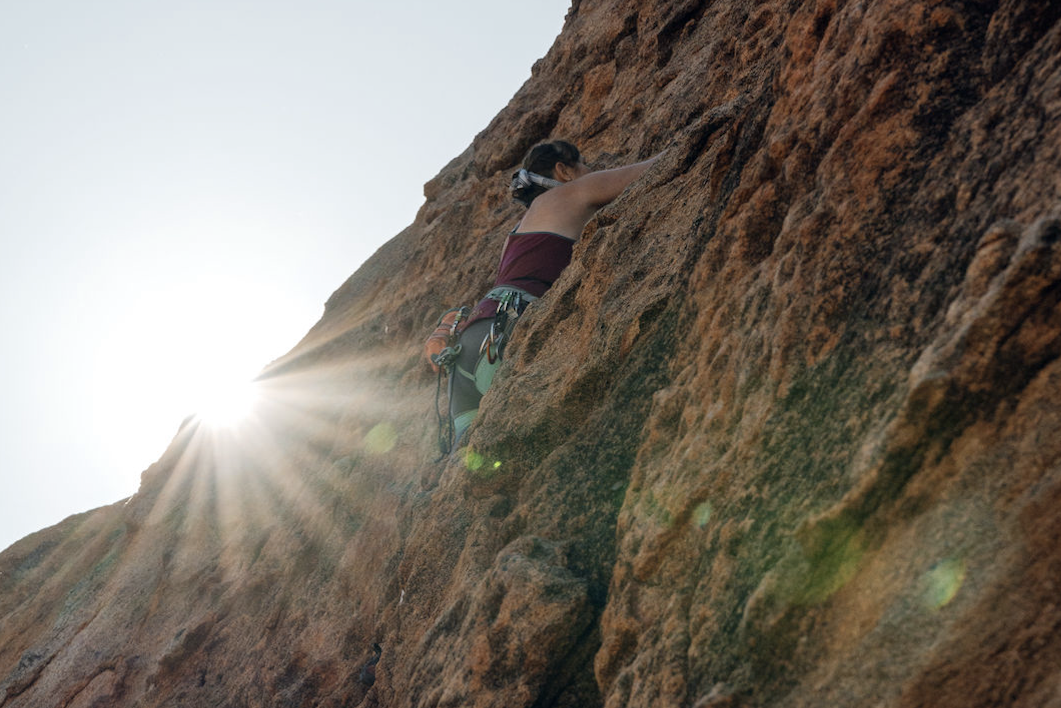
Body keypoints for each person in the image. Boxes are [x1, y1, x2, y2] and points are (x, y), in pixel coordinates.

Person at [426, 140, 661, 453]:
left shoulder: (516, 232)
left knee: (465, 460)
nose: (590, 172)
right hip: (506, 334)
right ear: (563, 170)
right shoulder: (571, 192)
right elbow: (653, 168)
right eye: (584, 165)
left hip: (472, 349)